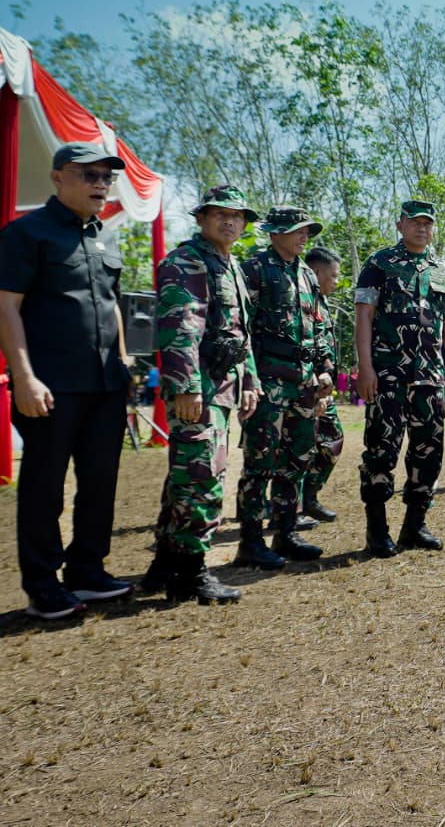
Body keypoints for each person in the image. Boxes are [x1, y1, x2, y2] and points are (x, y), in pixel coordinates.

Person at [0, 142, 134, 618]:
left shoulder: (106, 237)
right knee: (44, 488)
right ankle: (43, 586)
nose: (101, 184)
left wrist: (123, 365)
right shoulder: (26, 233)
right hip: (50, 386)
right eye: (89, 175)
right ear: (58, 178)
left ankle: (87, 571)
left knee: (99, 482)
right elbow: (7, 306)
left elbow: (112, 307)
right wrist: (23, 377)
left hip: (106, 385)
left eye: (106, 177)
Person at [144, 185, 262, 602]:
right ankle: (190, 573)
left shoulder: (230, 266)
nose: (230, 221)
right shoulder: (187, 261)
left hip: (223, 387)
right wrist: (187, 387)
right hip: (199, 390)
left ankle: (164, 565)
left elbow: (239, 334)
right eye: (220, 214)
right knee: (201, 477)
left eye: (238, 215)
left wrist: (250, 381)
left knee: (187, 476)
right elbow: (180, 326)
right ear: (201, 218)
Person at [356, 199, 445, 557]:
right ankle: (377, 530)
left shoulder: (442, 269)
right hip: (388, 374)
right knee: (381, 449)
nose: (422, 228)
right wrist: (366, 367)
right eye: (415, 222)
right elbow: (364, 315)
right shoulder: (380, 263)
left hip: (430, 377)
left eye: (427, 223)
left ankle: (414, 526)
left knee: (428, 450)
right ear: (400, 225)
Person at [236, 206, 325, 563]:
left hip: (304, 382)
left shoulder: (307, 274)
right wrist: (248, 378)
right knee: (260, 463)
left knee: (297, 459)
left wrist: (324, 368)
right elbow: (241, 329)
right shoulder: (254, 270)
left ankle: (286, 534)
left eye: (307, 231)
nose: (304, 236)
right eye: (297, 230)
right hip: (268, 381)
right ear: (275, 233)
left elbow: (318, 324)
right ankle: (250, 542)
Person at [302, 246, 344, 522]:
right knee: (298, 448)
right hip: (304, 386)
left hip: (321, 388)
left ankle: (308, 497)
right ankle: (293, 505)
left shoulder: (322, 301)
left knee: (331, 439)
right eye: (334, 275)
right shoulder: (303, 301)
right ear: (317, 272)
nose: (337, 281)